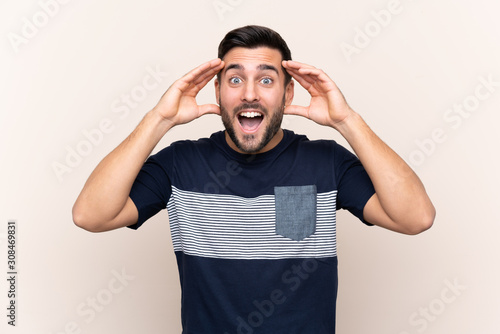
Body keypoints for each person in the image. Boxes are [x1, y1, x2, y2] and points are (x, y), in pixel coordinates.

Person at [73, 25, 435, 333]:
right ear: (217, 91)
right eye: (234, 80)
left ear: (288, 93)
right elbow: (91, 215)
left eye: (266, 79)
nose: (249, 93)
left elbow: (415, 217)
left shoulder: (326, 163)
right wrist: (159, 119)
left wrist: (346, 122)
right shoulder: (180, 164)